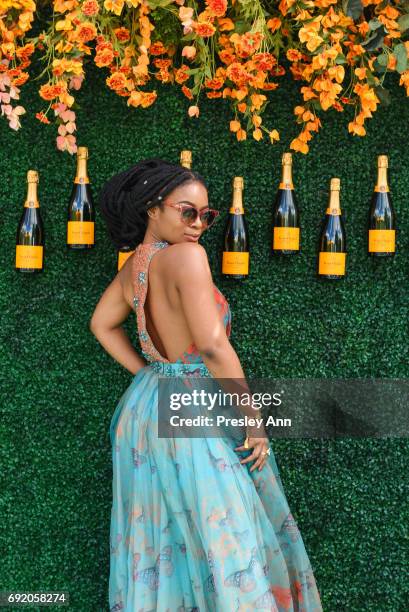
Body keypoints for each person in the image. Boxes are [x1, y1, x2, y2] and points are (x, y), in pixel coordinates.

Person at [90, 158, 323, 611]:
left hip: (145, 413)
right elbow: (214, 345)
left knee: (161, 544)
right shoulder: (186, 257)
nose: (198, 225)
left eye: (206, 215)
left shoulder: (135, 267)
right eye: (187, 211)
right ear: (151, 208)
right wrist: (254, 417)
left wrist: (152, 376)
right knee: (225, 536)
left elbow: (101, 325)